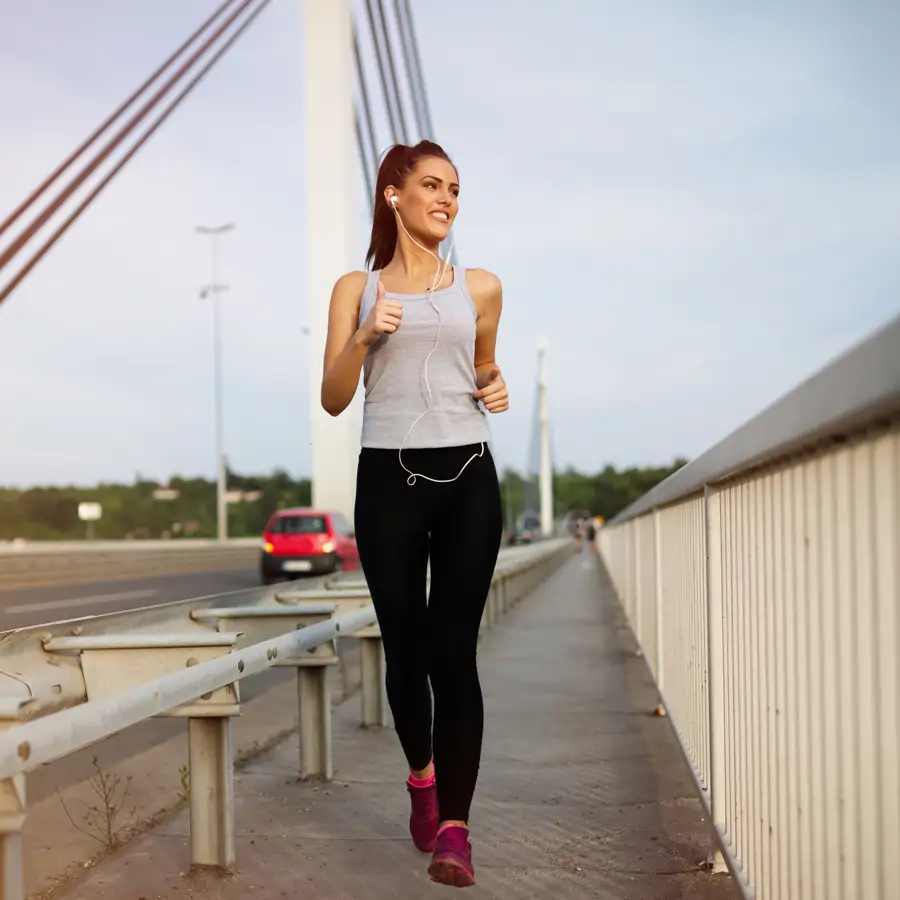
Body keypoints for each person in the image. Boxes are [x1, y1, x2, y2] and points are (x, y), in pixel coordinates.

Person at [320, 140, 509, 888]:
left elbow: (485, 365)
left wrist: (496, 386)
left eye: (455, 189)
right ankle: (422, 779)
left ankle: (456, 833)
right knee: (407, 652)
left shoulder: (482, 286)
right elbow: (334, 397)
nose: (448, 199)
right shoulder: (355, 289)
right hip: (387, 479)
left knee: (453, 652)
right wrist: (365, 336)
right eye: (432, 185)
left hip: (468, 475)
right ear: (393, 194)